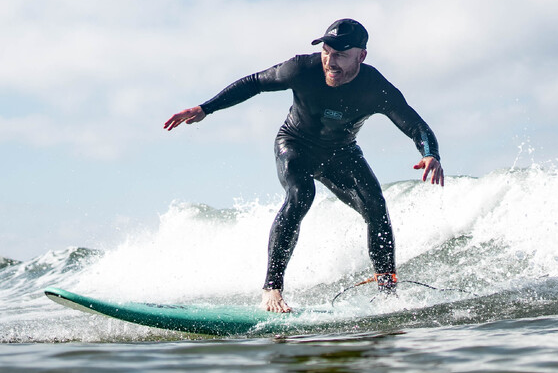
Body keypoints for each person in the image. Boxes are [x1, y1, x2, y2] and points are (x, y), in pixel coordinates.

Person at [164, 18, 444, 312]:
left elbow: (414, 123)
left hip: (341, 152)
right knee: (301, 195)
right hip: (295, 145)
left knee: (376, 206)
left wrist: (430, 153)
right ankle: (272, 288)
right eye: (326, 51)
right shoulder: (301, 69)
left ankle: (387, 291)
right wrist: (205, 108)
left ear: (361, 56)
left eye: (340, 55)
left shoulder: (374, 87)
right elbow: (255, 82)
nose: (330, 61)